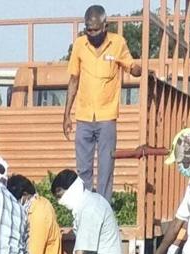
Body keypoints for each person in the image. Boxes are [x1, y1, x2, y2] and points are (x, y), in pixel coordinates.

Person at [63, 5, 143, 201]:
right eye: (88, 29)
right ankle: (85, 208)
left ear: (105, 26)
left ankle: (104, 209)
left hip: (107, 116)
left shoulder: (117, 43)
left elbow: (131, 65)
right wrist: (66, 115)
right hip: (83, 116)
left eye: (95, 29)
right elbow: (73, 80)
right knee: (83, 169)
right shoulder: (80, 45)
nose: (91, 34)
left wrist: (137, 70)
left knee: (106, 167)